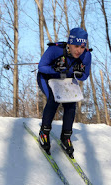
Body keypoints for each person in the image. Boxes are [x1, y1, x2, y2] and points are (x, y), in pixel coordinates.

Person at [37, 27, 91, 158]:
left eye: (82, 47)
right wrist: (55, 69)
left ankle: (66, 136)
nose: (79, 50)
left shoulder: (86, 55)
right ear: (69, 44)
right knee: (54, 100)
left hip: (65, 80)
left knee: (71, 104)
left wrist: (79, 73)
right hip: (47, 78)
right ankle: (44, 133)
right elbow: (41, 67)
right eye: (76, 46)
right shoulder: (55, 50)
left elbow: (85, 76)